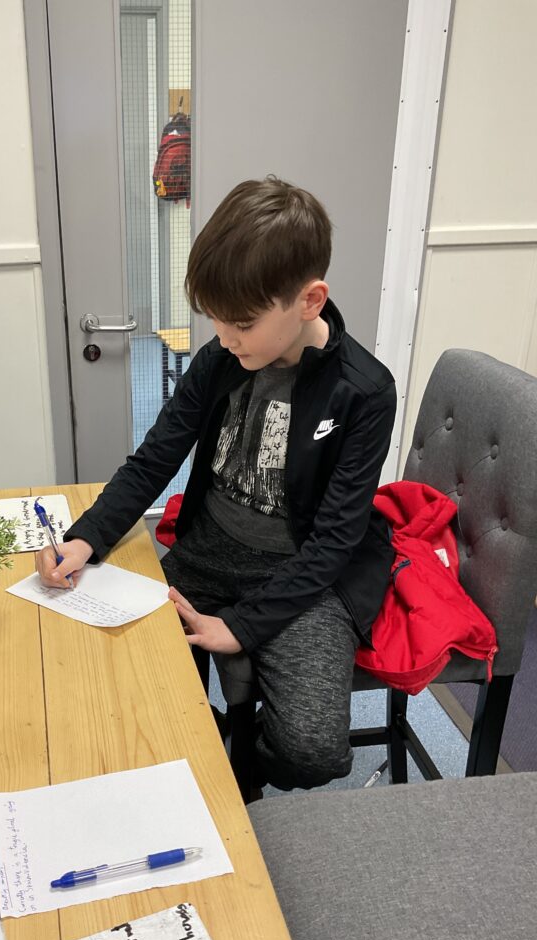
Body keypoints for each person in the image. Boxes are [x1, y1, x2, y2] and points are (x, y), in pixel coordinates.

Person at [36, 177, 397, 791]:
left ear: (309, 301)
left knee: (313, 752)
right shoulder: (221, 359)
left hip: (305, 577)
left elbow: (333, 543)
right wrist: (85, 538)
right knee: (110, 682)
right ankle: (202, 742)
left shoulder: (364, 392)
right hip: (206, 555)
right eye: (217, 321)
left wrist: (242, 628)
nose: (225, 338)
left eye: (242, 324)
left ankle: (238, 767)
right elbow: (154, 459)